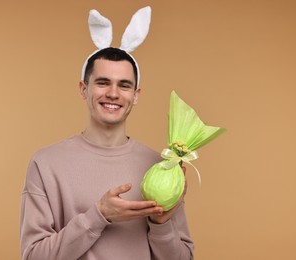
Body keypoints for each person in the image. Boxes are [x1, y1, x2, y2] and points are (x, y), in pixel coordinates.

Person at [20, 7, 194, 260]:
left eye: (124, 85)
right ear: (83, 88)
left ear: (136, 96)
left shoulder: (162, 167)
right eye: (102, 83)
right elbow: (33, 256)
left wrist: (160, 224)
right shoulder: (45, 164)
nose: (113, 93)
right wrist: (98, 215)